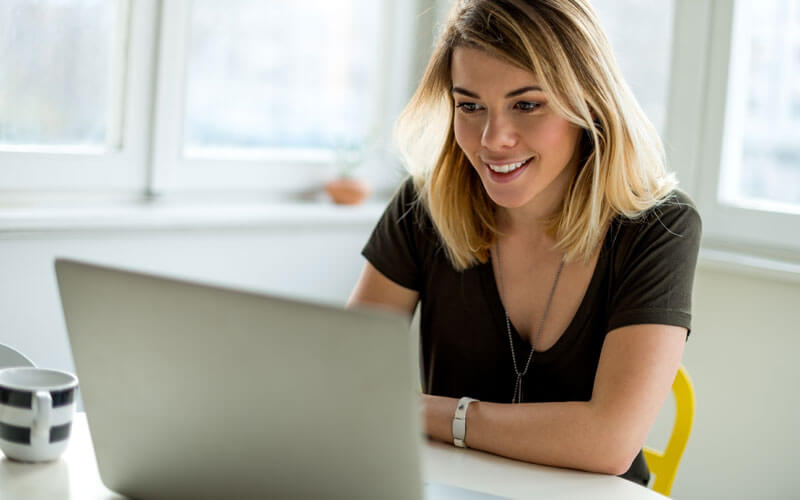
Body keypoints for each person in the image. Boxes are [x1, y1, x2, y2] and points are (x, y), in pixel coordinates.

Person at [348, 0, 701, 486]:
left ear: (588, 103)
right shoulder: (423, 207)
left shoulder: (660, 226)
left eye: (527, 104)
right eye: (469, 106)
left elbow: (609, 441)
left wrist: (425, 412)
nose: (493, 139)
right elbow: (346, 383)